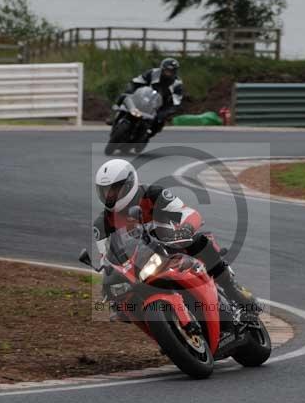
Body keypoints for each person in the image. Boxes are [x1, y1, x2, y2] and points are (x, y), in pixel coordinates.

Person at [93, 159, 259, 314]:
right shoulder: (101, 224)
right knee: (124, 307)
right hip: (140, 263)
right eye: (106, 191)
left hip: (172, 244)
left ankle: (231, 287)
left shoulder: (152, 194)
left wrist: (185, 228)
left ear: (129, 184)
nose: (110, 196)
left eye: (115, 190)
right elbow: (106, 261)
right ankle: (167, 334)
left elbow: (188, 213)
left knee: (199, 241)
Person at [110, 58, 183, 136]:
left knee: (159, 121)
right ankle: (113, 117)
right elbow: (137, 81)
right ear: (162, 68)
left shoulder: (177, 84)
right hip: (144, 95)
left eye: (171, 71)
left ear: (175, 72)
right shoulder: (152, 73)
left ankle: (147, 135)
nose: (168, 73)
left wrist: (165, 112)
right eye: (167, 70)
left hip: (160, 104)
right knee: (124, 96)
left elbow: (176, 102)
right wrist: (130, 90)